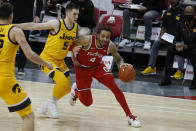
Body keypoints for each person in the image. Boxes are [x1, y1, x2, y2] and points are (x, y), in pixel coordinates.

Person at [15, 3, 80, 118]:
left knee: (66, 89)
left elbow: (71, 45)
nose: (76, 16)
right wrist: (16, 25)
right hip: (47, 59)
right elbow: (34, 26)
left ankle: (46, 105)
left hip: (61, 61)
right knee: (62, 82)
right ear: (67, 13)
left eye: (77, 14)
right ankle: (52, 103)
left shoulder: (76, 27)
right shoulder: (56, 24)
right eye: (74, 14)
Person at [69, 26, 141, 128]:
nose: (105, 39)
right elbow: (70, 46)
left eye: (107, 37)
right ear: (98, 35)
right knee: (87, 103)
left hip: (98, 67)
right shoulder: (87, 40)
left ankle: (130, 116)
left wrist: (122, 65)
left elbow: (118, 58)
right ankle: (76, 91)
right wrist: (74, 59)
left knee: (115, 88)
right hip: (82, 69)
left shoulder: (110, 45)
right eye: (103, 36)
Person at [0, 3, 52, 131]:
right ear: (12, 16)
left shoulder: (14, 28)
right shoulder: (15, 31)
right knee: (28, 116)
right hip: (4, 80)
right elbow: (30, 54)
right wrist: (46, 64)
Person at [141, 0, 185, 80]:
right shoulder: (167, 12)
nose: (173, 1)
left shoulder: (183, 12)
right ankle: (152, 67)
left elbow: (185, 29)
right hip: (168, 37)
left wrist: (177, 38)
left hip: (179, 38)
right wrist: (161, 36)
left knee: (179, 45)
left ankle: (180, 71)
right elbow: (164, 27)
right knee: (156, 43)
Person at [159, 6, 196, 89]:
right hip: (185, 49)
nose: (187, 15)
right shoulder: (181, 24)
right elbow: (176, 39)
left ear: (194, 14)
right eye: (186, 13)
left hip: (193, 49)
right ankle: (166, 79)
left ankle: (195, 82)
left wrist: (187, 46)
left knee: (195, 52)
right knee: (170, 49)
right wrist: (177, 44)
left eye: (189, 13)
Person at [7, 0, 43, 79]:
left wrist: (37, 15)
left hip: (26, 17)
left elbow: (39, 2)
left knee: (24, 45)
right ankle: (7, 68)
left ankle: (21, 68)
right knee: (8, 44)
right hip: (11, 16)